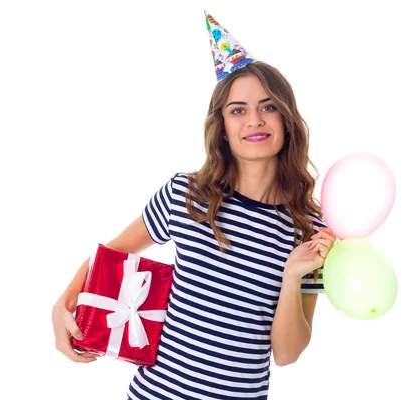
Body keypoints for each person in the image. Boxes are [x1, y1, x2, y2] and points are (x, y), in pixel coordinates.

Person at [52, 11, 336, 400]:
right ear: (222, 125)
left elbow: (287, 355)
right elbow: (114, 253)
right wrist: (63, 304)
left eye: (268, 107)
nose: (254, 120)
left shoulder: (312, 227)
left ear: (287, 119)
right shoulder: (186, 194)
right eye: (238, 110)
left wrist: (291, 277)